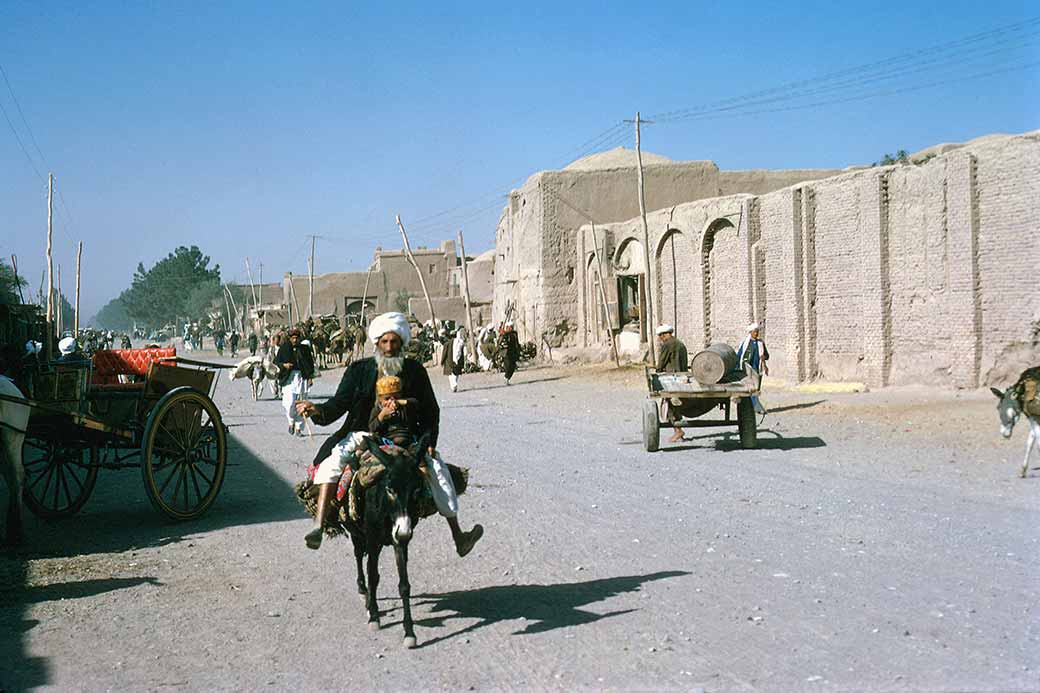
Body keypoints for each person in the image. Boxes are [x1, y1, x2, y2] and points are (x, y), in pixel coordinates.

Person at [296, 311, 483, 555]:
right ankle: (318, 527)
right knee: (331, 465)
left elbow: (431, 411)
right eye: (384, 342)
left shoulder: (415, 371)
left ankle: (458, 536)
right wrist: (316, 410)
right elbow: (338, 404)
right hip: (362, 434)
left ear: (402, 342)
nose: (389, 347)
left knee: (439, 472)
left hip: (404, 438)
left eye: (394, 342)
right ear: (376, 343)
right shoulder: (359, 371)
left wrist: (429, 442)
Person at [275, 328, 315, 436]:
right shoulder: (284, 348)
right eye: (293, 338)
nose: (295, 340)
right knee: (289, 403)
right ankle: (291, 422)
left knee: (302, 404)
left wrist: (310, 377)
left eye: (297, 338)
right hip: (289, 379)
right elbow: (276, 363)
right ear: (289, 338)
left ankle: (299, 428)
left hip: (302, 378)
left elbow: (310, 364)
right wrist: (284, 365)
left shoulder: (305, 349)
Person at [655, 324, 689, 443]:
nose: (660, 339)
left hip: (671, 379)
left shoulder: (667, 345)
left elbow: (662, 362)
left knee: (669, 405)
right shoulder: (680, 344)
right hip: (683, 378)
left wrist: (657, 371)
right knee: (676, 405)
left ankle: (678, 430)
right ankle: (678, 431)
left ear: (664, 335)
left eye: (660, 336)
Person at [735, 322, 769, 415]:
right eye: (755, 332)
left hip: (757, 369)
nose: (756, 333)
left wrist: (764, 357)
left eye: (757, 331)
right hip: (748, 370)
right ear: (751, 332)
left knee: (756, 388)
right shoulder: (745, 343)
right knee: (751, 388)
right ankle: (756, 407)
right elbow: (740, 355)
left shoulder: (760, 343)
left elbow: (767, 355)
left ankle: (752, 407)